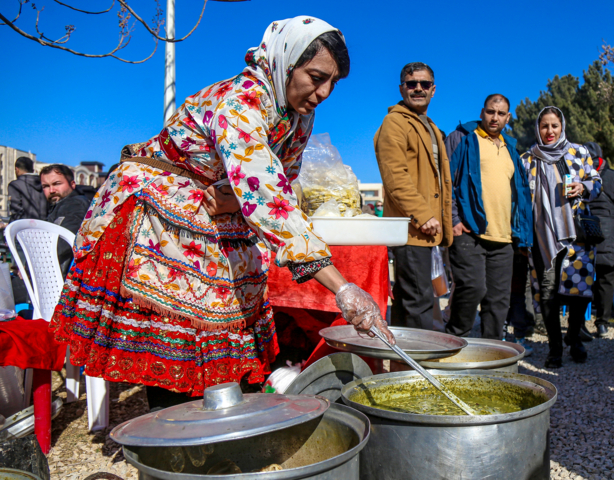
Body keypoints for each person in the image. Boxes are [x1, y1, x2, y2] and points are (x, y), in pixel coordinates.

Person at [49, 16, 394, 409]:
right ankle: (173, 434)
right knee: (176, 329)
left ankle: (222, 427)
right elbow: (269, 197)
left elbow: (281, 179)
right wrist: (343, 287)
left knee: (228, 327)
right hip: (163, 217)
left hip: (218, 213)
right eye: (316, 77)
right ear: (285, 61)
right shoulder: (241, 101)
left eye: (333, 83)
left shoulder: (298, 115)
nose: (324, 92)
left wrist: (234, 198)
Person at [444, 94, 533, 345]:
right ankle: (454, 342)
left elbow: (521, 195)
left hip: (504, 237)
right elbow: (447, 180)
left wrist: (521, 235)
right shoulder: (462, 138)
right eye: (491, 112)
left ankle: (492, 354)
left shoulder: (510, 148)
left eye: (501, 113)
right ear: (482, 112)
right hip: (469, 231)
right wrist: (453, 219)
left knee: (498, 301)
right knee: (472, 289)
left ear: (508, 117)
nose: (495, 117)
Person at [521, 107, 602, 368]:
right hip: (542, 236)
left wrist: (583, 186)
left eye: (554, 125)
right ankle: (555, 347)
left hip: (577, 234)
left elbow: (596, 181)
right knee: (547, 293)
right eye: (544, 126)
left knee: (579, 291)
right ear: (538, 128)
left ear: (562, 126)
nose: (549, 131)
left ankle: (574, 338)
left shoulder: (578, 152)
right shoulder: (527, 159)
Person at [374, 62, 453, 331]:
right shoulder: (394, 123)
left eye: (424, 84)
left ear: (433, 89)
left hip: (428, 229)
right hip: (412, 228)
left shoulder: (430, 127)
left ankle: (402, 366)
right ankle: (418, 368)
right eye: (411, 84)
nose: (417, 88)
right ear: (401, 88)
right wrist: (424, 214)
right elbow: (395, 176)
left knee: (417, 301)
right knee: (416, 302)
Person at [584, 142, 614, 338]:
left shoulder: (580, 175)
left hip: (585, 232)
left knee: (583, 280)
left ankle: (579, 324)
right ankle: (602, 324)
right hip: (609, 236)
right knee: (606, 281)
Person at [40, 164, 91, 276]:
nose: (52, 190)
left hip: (64, 278)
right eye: (46, 186)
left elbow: (62, 242)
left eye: (57, 184)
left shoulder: (74, 204)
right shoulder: (60, 205)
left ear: (72, 184)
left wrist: (33, 265)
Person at [8, 156, 47, 222]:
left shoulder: (15, 185)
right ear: (32, 170)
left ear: (17, 169)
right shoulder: (44, 183)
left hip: (25, 226)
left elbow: (16, 211)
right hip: (44, 226)